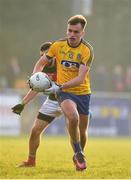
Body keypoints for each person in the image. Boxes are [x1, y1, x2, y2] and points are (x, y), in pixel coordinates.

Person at [32, 15, 94, 171]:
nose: (72, 34)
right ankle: (79, 153)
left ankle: (79, 153)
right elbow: (40, 63)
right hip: (65, 92)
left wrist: (58, 87)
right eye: (70, 31)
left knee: (82, 131)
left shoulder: (87, 50)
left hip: (83, 92)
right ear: (67, 30)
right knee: (73, 117)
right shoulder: (57, 46)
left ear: (82, 33)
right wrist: (35, 77)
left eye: (76, 32)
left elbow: (80, 79)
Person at [12, 42, 63, 167]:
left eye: (45, 55)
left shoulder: (62, 63)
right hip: (52, 100)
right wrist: (23, 103)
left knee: (74, 129)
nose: (43, 58)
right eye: (41, 56)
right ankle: (31, 161)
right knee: (35, 130)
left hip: (68, 99)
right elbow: (36, 88)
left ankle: (79, 158)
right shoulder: (42, 68)